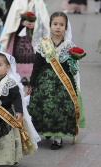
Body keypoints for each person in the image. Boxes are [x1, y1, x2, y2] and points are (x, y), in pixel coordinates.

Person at [26, 12, 85, 150]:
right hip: (44, 82)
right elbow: (37, 66)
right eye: (55, 24)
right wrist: (32, 83)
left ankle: (57, 138)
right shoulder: (43, 44)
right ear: (50, 26)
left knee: (59, 109)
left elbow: (72, 70)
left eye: (61, 25)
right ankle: (45, 132)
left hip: (62, 84)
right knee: (43, 107)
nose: (58, 27)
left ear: (66, 27)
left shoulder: (69, 46)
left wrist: (73, 67)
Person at [0, 0, 49, 86]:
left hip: (34, 35)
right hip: (18, 34)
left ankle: (32, 75)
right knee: (18, 55)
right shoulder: (17, 2)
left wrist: (35, 23)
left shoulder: (38, 2)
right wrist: (22, 22)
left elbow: (43, 18)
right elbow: (12, 18)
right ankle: (18, 76)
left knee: (33, 55)